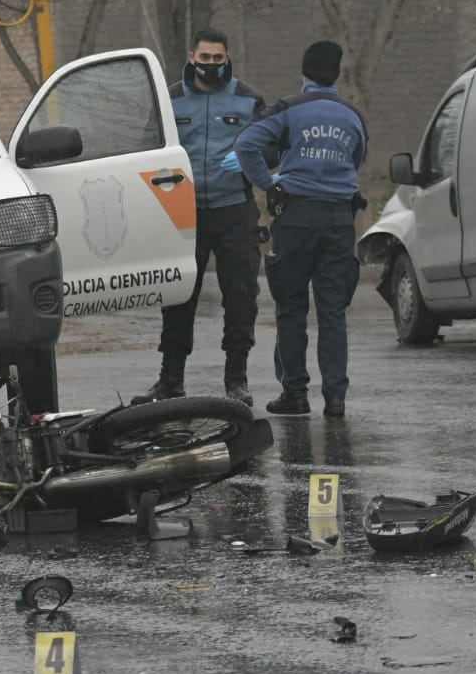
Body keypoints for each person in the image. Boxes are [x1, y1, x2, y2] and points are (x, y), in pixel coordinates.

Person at [231, 41, 367, 418]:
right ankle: (335, 398)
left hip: (296, 216)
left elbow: (245, 145)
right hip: (340, 219)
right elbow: (358, 158)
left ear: (304, 72)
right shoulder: (352, 115)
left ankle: (295, 393)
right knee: (333, 311)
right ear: (337, 74)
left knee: (291, 307)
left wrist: (269, 185)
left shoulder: (289, 109)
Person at [133, 28, 267, 407]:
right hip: (183, 212)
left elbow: (271, 148)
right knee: (178, 296)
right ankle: (170, 380)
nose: (210, 65)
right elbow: (148, 149)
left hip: (234, 209)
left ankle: (236, 380)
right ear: (192, 56)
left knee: (241, 296)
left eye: (218, 59)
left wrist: (251, 159)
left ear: (228, 58)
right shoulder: (170, 99)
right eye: (204, 58)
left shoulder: (248, 100)